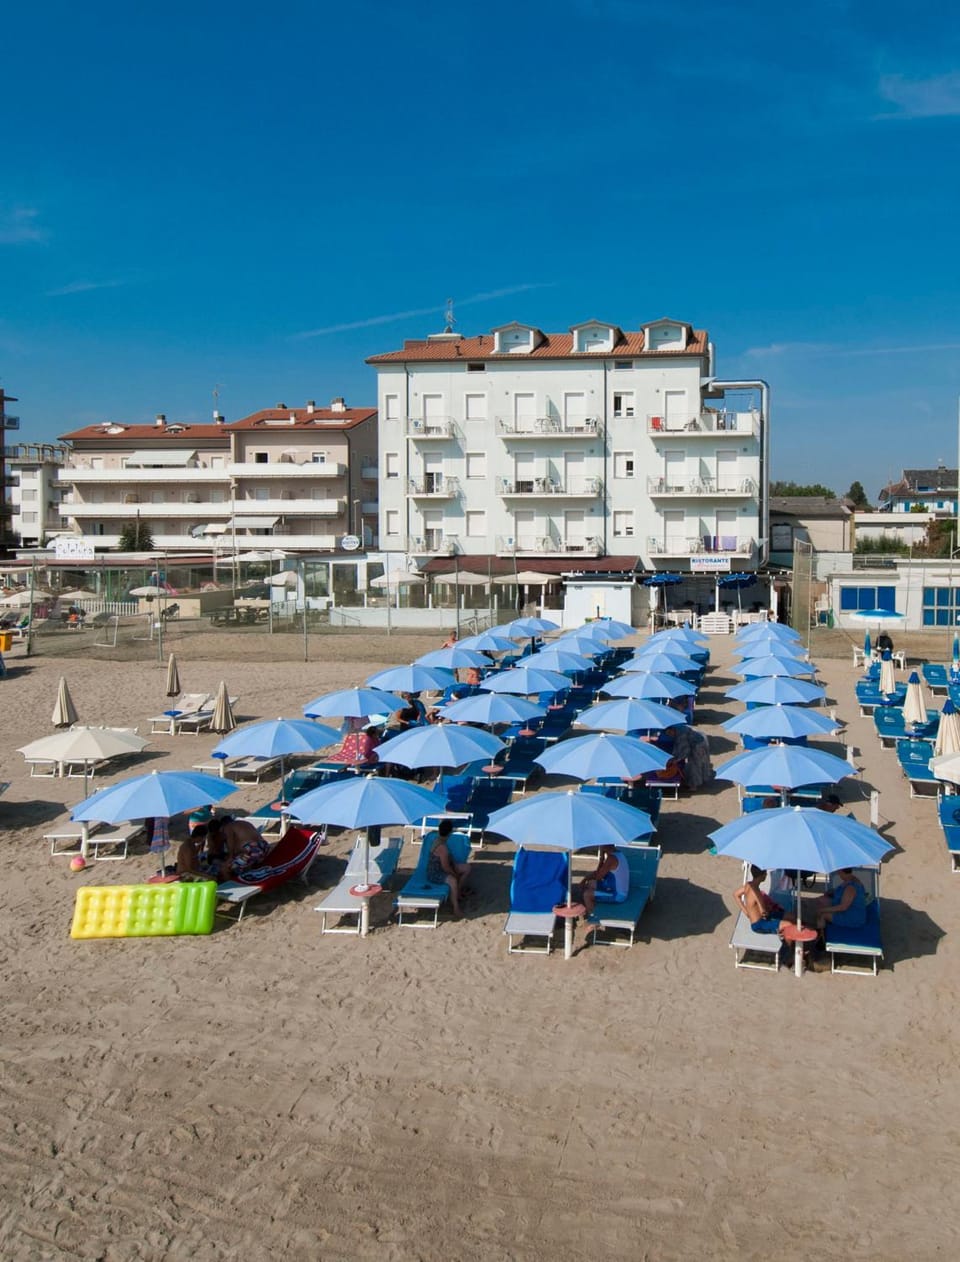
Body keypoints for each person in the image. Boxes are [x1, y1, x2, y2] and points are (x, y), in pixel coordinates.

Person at [425, 818, 472, 918]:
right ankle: (456, 908)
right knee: (453, 881)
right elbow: (445, 867)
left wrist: (455, 867)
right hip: (434, 872)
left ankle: (457, 893)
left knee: (467, 868)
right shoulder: (442, 847)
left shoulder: (440, 839)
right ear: (450, 832)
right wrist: (455, 874)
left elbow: (449, 860)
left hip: (442, 867)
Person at [733, 865, 787, 934]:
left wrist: (746, 912)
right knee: (789, 925)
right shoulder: (756, 893)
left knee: (790, 917)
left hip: (757, 923)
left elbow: (735, 894)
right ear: (761, 875)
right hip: (760, 924)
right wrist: (769, 907)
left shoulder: (748, 885)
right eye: (765, 873)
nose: (766, 874)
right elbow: (763, 913)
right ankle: (786, 944)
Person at [812, 868, 867, 934]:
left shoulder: (850, 888)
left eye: (839, 872)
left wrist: (822, 910)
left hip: (852, 917)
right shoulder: (851, 879)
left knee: (823, 915)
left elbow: (843, 907)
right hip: (848, 909)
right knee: (820, 901)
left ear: (841, 872)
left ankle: (820, 936)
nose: (838, 874)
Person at [581, 845, 630, 917]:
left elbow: (598, 876)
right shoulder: (619, 854)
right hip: (613, 887)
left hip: (617, 895)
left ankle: (594, 918)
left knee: (587, 895)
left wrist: (601, 859)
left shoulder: (611, 859)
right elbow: (599, 874)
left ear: (604, 847)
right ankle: (593, 906)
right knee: (591, 883)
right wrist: (586, 879)